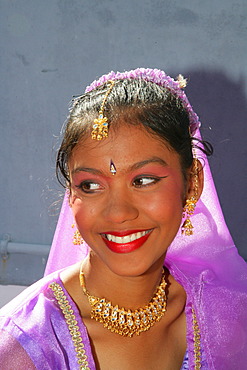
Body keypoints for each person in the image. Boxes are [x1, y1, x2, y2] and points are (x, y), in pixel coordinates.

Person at [0, 68, 246, 369]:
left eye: (143, 180)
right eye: (90, 185)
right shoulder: (23, 344)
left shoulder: (227, 316)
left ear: (192, 183)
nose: (118, 213)